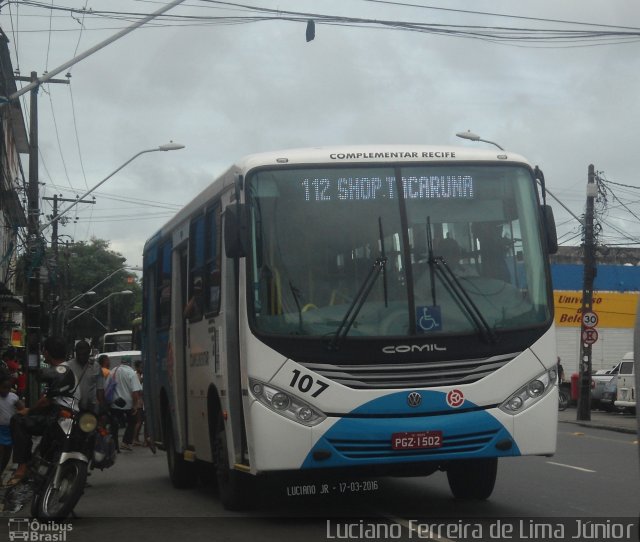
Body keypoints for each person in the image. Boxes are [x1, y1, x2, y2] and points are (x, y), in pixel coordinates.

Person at [6, 336, 79, 487]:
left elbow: (46, 400)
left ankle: (22, 466)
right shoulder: (67, 369)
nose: (44, 354)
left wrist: (28, 410)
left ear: (47, 352)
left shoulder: (61, 370)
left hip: (59, 415)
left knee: (18, 420)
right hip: (66, 415)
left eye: (44, 351)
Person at [108, 356, 142, 452]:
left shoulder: (113, 371)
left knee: (114, 424)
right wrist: (135, 406)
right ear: (129, 363)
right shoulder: (131, 373)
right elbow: (135, 392)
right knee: (133, 421)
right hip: (128, 403)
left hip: (115, 402)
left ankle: (114, 445)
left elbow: (107, 387)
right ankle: (126, 442)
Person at [0, 372, 23, 477]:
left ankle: (1, 472)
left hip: (10, 429)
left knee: (7, 455)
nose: (6, 390)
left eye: (9, 388)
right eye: (4, 387)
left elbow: (21, 408)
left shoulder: (13, 397)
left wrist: (20, 404)